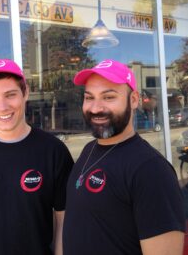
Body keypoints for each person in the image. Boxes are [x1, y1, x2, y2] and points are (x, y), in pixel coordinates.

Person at [63, 59, 185, 255]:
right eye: (89, 97)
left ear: (134, 100)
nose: (95, 108)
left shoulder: (151, 171)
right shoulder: (89, 150)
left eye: (109, 97)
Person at [0, 58, 74, 255]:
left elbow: (64, 222)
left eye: (10, 95)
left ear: (26, 93)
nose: (2, 106)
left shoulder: (53, 151)